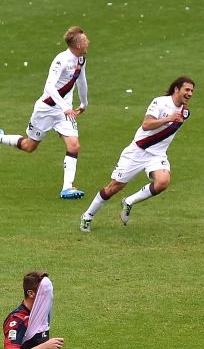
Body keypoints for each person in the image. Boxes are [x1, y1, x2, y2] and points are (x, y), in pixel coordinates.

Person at [0, 26, 90, 199]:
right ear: (77, 44)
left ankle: (67, 188)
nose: (88, 42)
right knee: (29, 146)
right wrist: (64, 106)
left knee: (74, 145)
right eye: (84, 40)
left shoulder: (81, 60)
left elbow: (81, 81)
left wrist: (84, 103)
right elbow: (49, 86)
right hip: (46, 109)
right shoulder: (61, 60)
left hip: (65, 113)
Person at [79, 76, 195, 232]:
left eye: (192, 91)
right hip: (137, 152)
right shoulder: (160, 102)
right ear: (176, 89)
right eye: (187, 89)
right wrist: (169, 118)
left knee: (163, 182)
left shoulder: (185, 112)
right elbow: (146, 125)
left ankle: (129, 201)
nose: (190, 93)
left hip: (157, 155)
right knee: (114, 187)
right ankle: (87, 216)